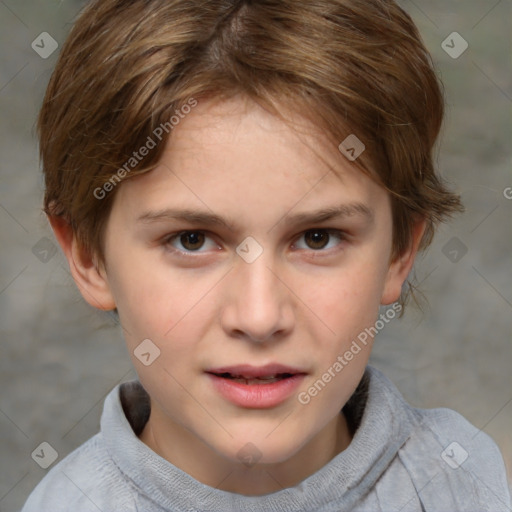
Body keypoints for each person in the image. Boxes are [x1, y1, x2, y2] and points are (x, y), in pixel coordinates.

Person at [22, 0, 511, 510]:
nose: (259, 317)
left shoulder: (472, 484)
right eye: (192, 240)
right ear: (87, 255)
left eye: (318, 238)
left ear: (399, 251)